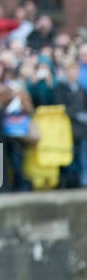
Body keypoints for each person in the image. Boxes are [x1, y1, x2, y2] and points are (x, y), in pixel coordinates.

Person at [54, 60, 87, 188]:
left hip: (82, 129)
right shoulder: (61, 89)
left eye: (76, 70)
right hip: (68, 129)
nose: (74, 73)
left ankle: (82, 181)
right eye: (71, 70)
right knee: (70, 156)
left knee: (83, 156)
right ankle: (71, 182)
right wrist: (77, 113)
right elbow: (62, 108)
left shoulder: (81, 89)